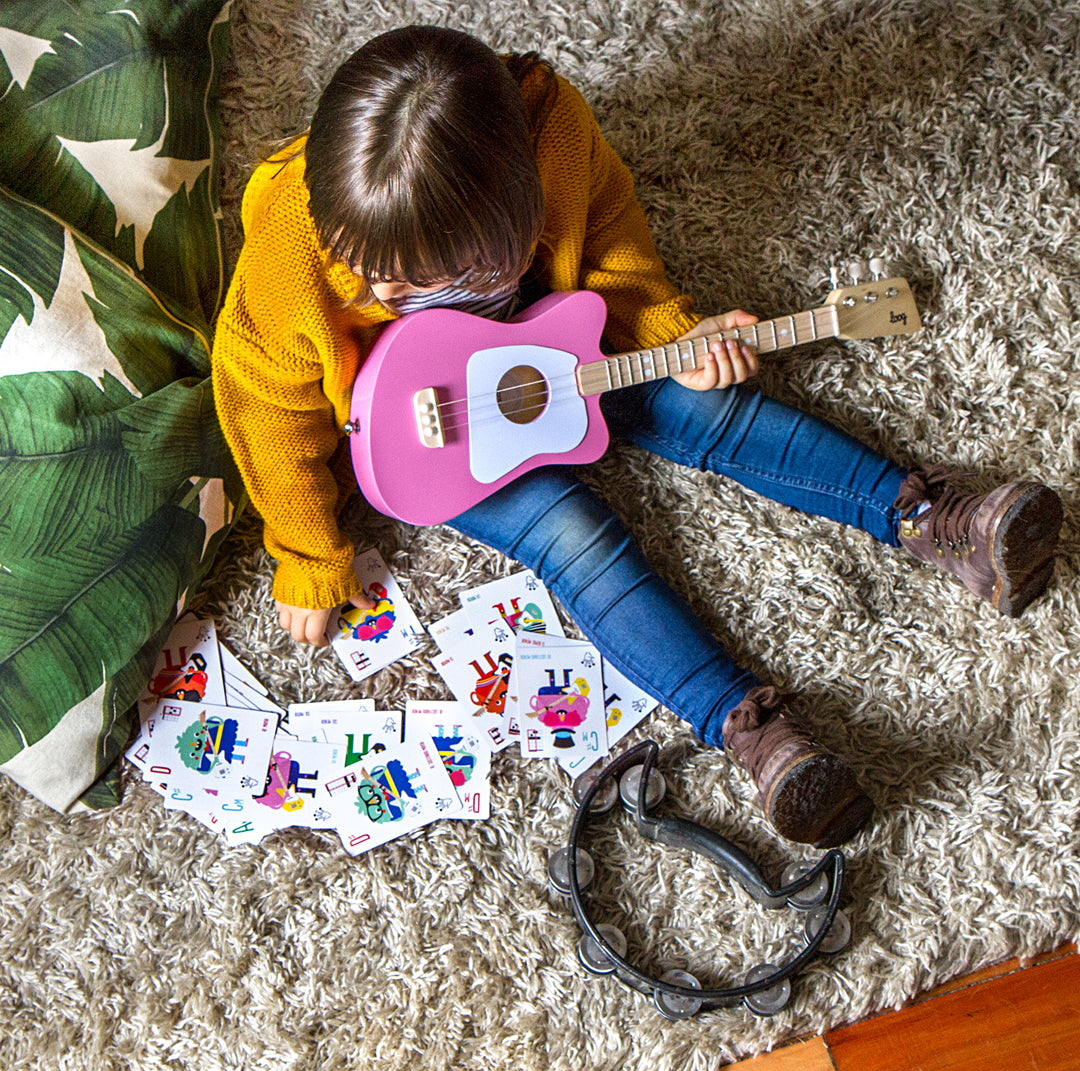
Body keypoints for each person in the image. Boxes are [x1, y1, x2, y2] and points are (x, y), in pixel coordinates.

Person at [211, 25, 1064, 849]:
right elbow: (263, 405)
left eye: (448, 280)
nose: (401, 295)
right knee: (573, 537)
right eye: (380, 284)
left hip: (558, 347)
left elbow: (613, 236)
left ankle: (934, 518)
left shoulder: (557, 133)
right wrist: (306, 550)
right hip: (432, 437)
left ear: (525, 210)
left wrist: (668, 333)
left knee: (705, 412)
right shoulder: (293, 244)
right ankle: (750, 730)